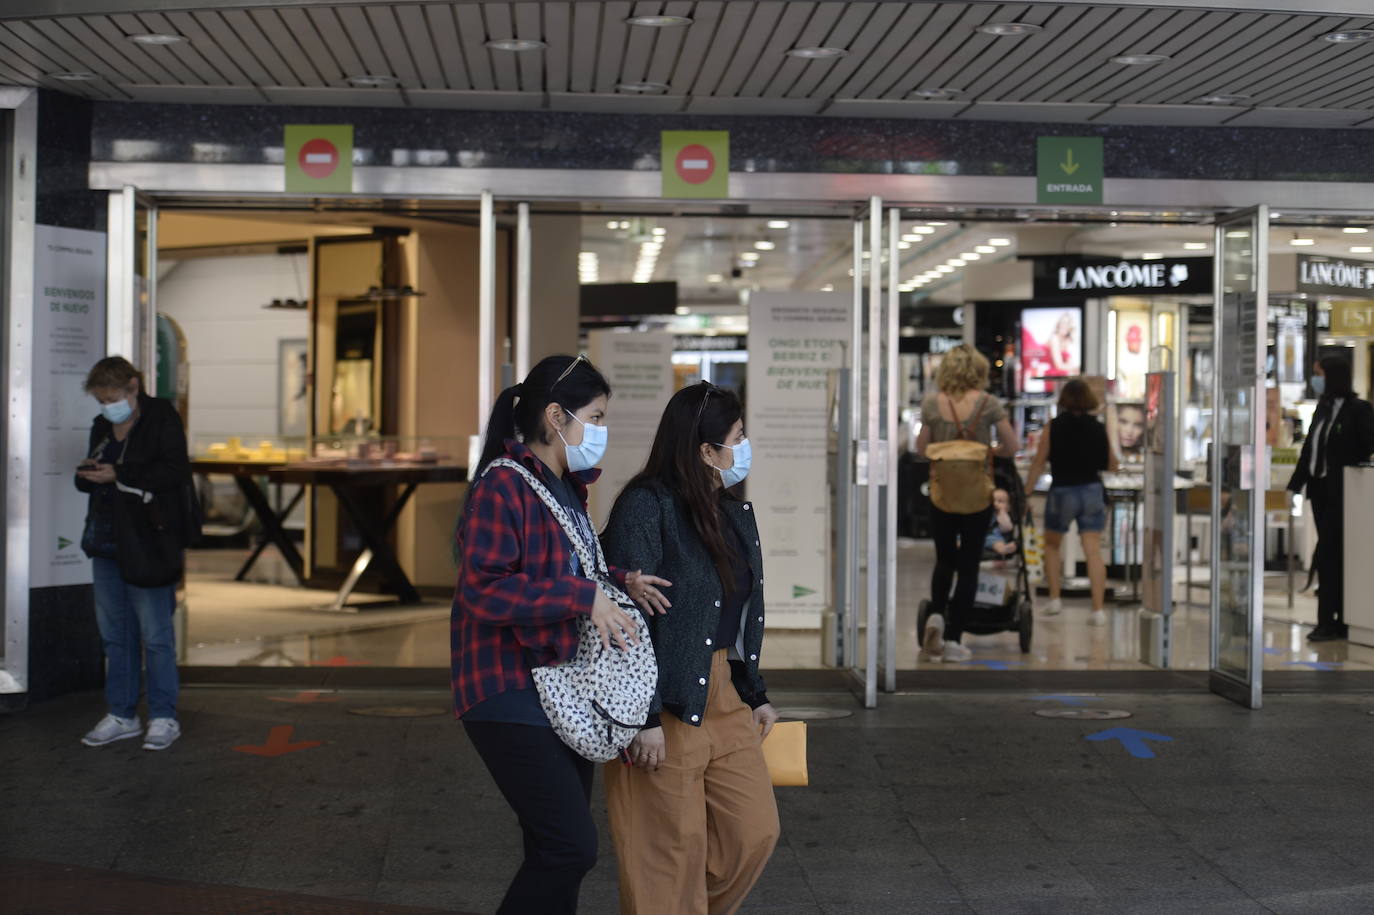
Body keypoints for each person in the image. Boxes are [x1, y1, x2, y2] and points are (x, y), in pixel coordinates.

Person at [451, 354, 671, 915]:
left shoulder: (562, 487)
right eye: (594, 417)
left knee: (552, 848)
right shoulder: (503, 487)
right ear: (556, 416)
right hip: (506, 689)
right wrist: (583, 598)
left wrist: (619, 581)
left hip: (559, 685)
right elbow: (483, 591)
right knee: (571, 849)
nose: (599, 430)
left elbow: (568, 570)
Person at [601, 382, 780, 915]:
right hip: (667, 702)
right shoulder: (644, 506)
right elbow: (622, 618)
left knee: (753, 835)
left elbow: (736, 614)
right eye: (738, 437)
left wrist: (753, 692)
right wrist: (644, 716)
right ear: (706, 451)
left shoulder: (728, 510)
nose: (743, 448)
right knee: (666, 855)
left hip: (725, 697)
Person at [74, 356, 191, 751]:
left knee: (155, 634)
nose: (107, 406)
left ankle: (162, 715)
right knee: (114, 635)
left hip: (148, 541)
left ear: (133, 387)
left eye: (111, 398)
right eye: (101, 400)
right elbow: (92, 480)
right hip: (106, 539)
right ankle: (122, 714)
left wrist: (120, 475)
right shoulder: (103, 425)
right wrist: (88, 473)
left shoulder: (160, 417)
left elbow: (174, 472)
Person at [916, 344, 1018, 662]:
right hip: (977, 495)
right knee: (969, 566)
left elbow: (921, 449)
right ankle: (953, 639)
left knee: (945, 559)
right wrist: (990, 450)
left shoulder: (933, 403)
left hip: (942, 494)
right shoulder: (989, 404)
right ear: (979, 371)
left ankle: (936, 614)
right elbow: (1012, 445)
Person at [1287, 356, 1374, 642]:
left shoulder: (1358, 410)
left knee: (1330, 555)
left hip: (1346, 493)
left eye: (1318, 374)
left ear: (1332, 376)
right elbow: (1309, 452)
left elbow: (1366, 446)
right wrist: (1294, 487)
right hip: (1320, 492)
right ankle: (1332, 620)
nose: (1316, 379)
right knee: (1329, 554)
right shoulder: (1322, 409)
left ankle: (1332, 620)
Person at [1025, 379, 1117, 625]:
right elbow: (1111, 464)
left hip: (1062, 490)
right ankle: (1097, 610)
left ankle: (1055, 599)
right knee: (1093, 551)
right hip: (1091, 490)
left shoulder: (1053, 427)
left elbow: (1038, 461)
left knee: (1053, 545)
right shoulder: (1098, 427)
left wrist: (1026, 492)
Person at [985, 488, 1017, 558]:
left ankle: (1003, 549)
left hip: (993, 537)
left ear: (1008, 507)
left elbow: (1007, 528)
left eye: (1000, 501)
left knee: (998, 543)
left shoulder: (1003, 516)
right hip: (978, 535)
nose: (995, 503)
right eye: (992, 501)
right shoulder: (985, 511)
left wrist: (1002, 512)